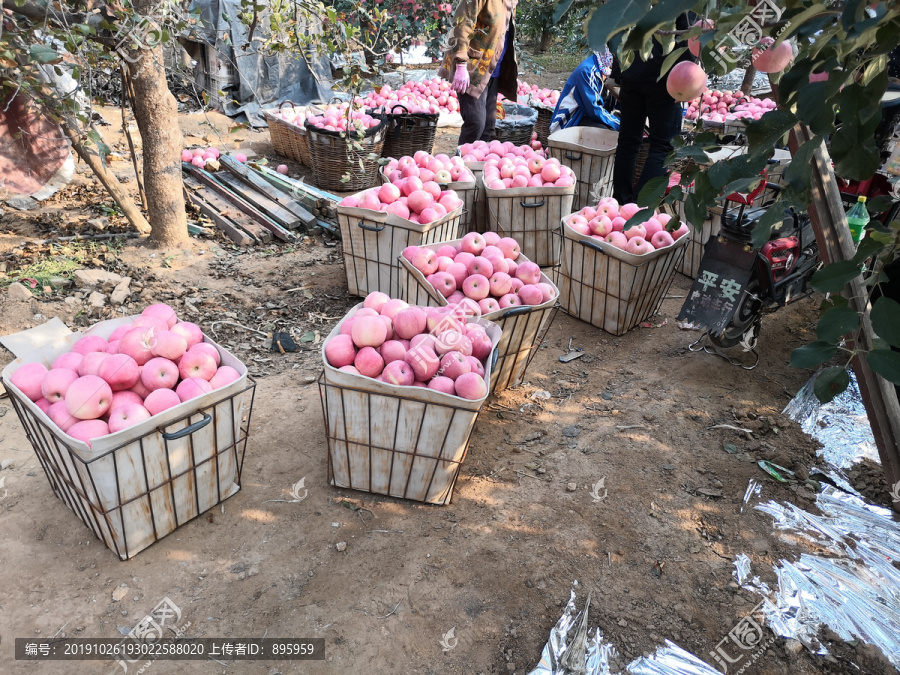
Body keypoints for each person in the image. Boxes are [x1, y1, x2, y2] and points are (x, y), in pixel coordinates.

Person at [611, 13, 695, 204]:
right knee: (662, 146)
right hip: (663, 76)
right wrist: (685, 83)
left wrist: (619, 71)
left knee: (628, 141)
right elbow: (688, 31)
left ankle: (621, 202)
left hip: (631, 70)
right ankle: (639, 207)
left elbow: (621, 22)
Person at [438, 0, 518, 145]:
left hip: (492, 70)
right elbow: (461, 24)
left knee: (488, 127)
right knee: (475, 123)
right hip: (472, 69)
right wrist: (461, 65)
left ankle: (476, 163)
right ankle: (460, 163)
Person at [549, 50, 620, 134]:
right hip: (568, 124)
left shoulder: (605, 70)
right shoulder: (587, 71)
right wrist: (619, 124)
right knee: (606, 134)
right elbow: (594, 110)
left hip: (585, 118)